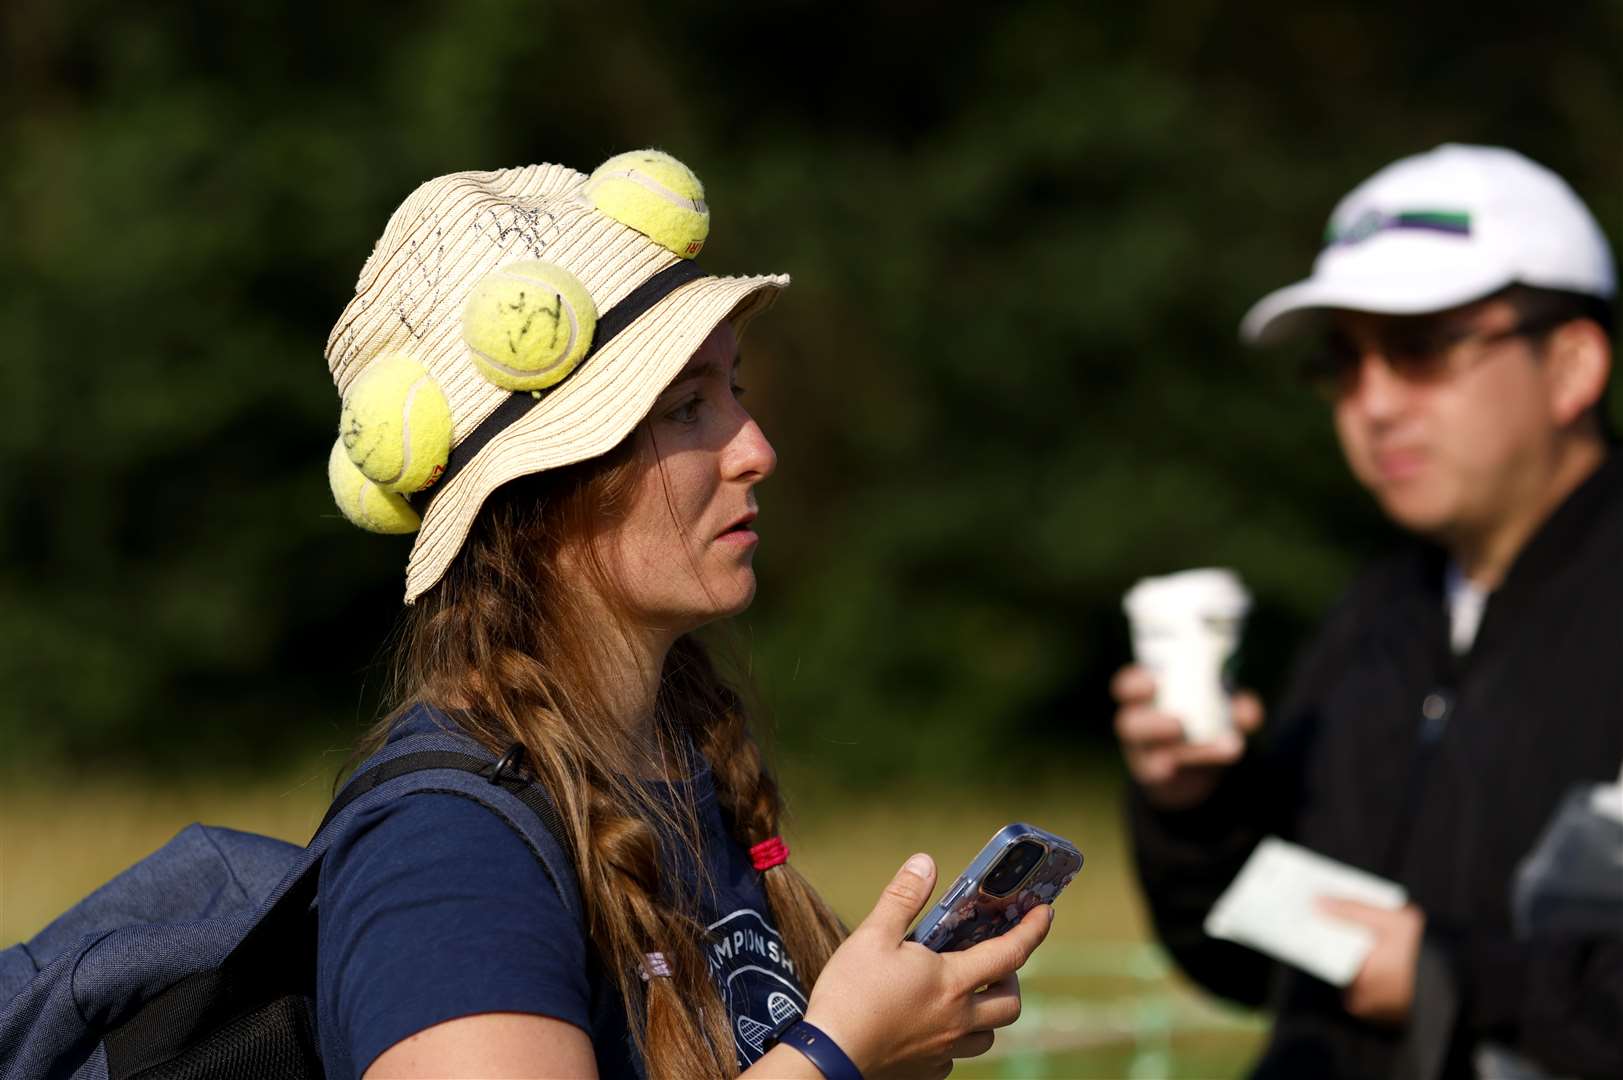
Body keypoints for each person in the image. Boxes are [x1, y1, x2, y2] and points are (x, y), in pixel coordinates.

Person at [315, 152, 1052, 1080]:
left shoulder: (678, 767)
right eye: (685, 407)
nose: (755, 449)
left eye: (732, 391)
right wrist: (838, 1055)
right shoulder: (445, 855)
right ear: (541, 488)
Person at [1112, 144, 1623, 1079]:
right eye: (1342, 362)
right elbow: (1252, 962)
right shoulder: (1377, 617)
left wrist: (1452, 980)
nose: (1372, 402)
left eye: (1421, 350)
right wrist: (1193, 809)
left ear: (1571, 366)